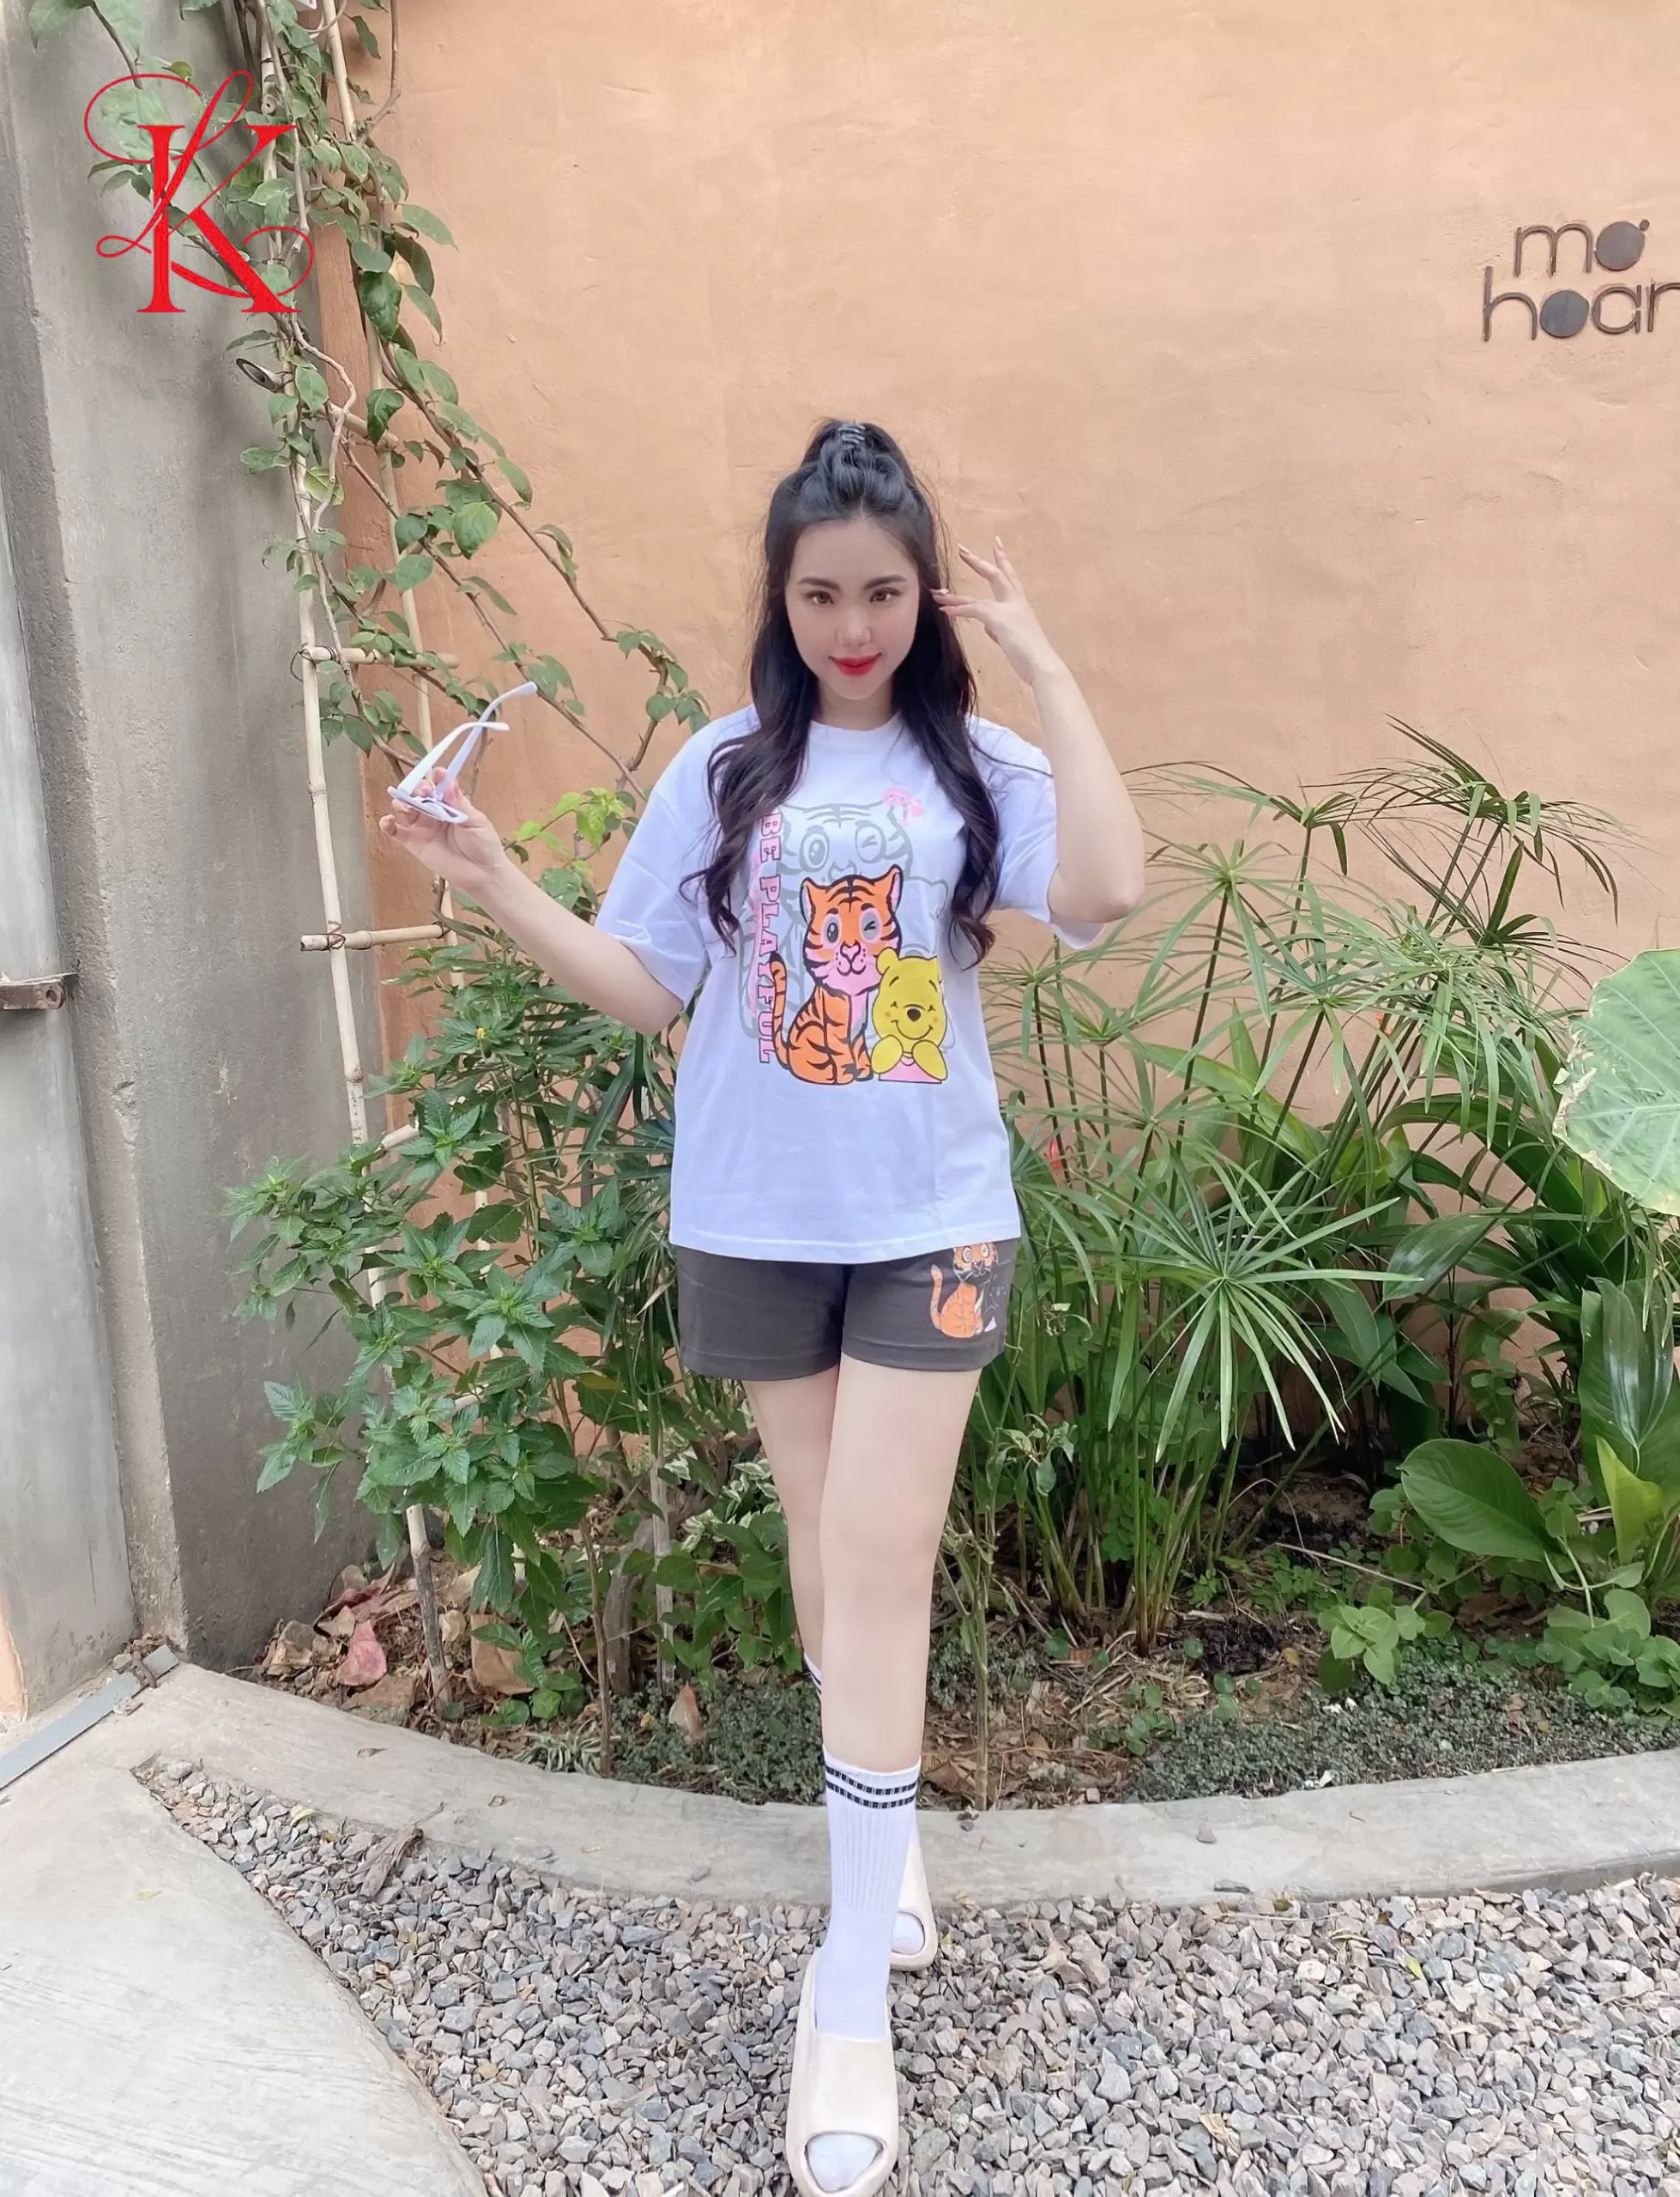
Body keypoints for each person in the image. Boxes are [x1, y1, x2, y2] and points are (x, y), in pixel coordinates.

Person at [381, 418, 1147, 2197]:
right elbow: (648, 988)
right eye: (821, 595)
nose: (853, 626)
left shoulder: (977, 766)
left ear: (923, 594)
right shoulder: (725, 771)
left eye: (883, 592)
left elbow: (1106, 889)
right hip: (753, 1215)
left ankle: (846, 1988)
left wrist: (1043, 662)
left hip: (929, 1218)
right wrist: (495, 881)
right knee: (819, 1543)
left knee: (879, 1554)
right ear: (781, 599)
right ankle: (885, 1845)